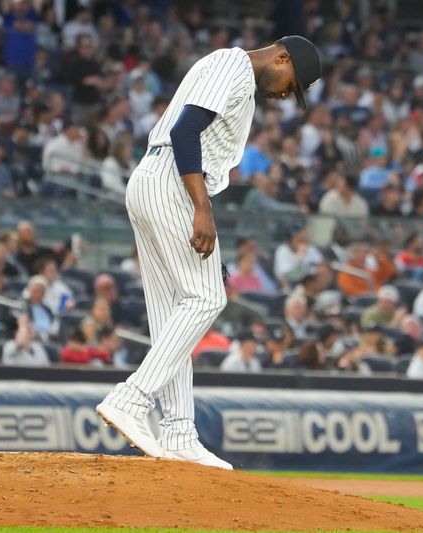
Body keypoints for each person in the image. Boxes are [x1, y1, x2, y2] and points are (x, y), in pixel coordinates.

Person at [96, 36, 321, 469]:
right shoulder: (233, 64)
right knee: (207, 298)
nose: (284, 95)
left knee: (173, 317)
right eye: (291, 84)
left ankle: (179, 432)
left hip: (162, 181)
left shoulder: (242, 82)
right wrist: (201, 208)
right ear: (282, 57)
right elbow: (184, 130)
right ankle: (132, 398)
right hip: (171, 181)